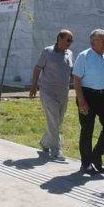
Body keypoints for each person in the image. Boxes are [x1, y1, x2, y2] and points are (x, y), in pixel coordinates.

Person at [72, 29, 104, 175]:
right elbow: (76, 80)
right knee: (87, 130)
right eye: (103, 40)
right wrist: (81, 101)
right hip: (87, 95)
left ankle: (96, 156)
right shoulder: (84, 56)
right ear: (93, 42)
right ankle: (86, 163)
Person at [30, 30, 74, 161]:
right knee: (54, 120)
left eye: (71, 41)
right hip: (48, 91)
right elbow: (37, 68)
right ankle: (56, 150)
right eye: (68, 40)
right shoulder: (47, 51)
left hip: (63, 92)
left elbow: (71, 72)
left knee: (57, 121)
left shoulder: (70, 53)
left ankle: (44, 142)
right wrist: (34, 86)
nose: (70, 43)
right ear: (59, 38)